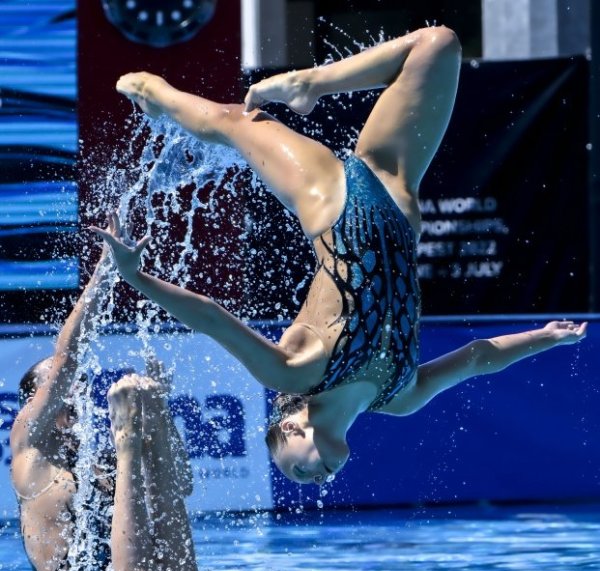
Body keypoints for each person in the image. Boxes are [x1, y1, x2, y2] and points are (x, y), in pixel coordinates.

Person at [92, 26, 587, 488]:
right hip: (395, 198)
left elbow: (211, 317)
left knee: (234, 121)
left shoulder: (295, 371)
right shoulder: (400, 397)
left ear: (291, 428)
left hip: (332, 203)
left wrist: (137, 278)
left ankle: (167, 96)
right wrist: (542, 338)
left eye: (300, 474)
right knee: (439, 44)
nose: (319, 480)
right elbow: (477, 359)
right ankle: (310, 85)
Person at [10, 221, 203, 571]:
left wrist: (160, 410)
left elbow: (179, 484)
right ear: (34, 405)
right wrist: (106, 269)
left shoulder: (99, 464)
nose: (73, 395)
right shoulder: (30, 456)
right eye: (57, 392)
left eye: (76, 390)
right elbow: (68, 356)